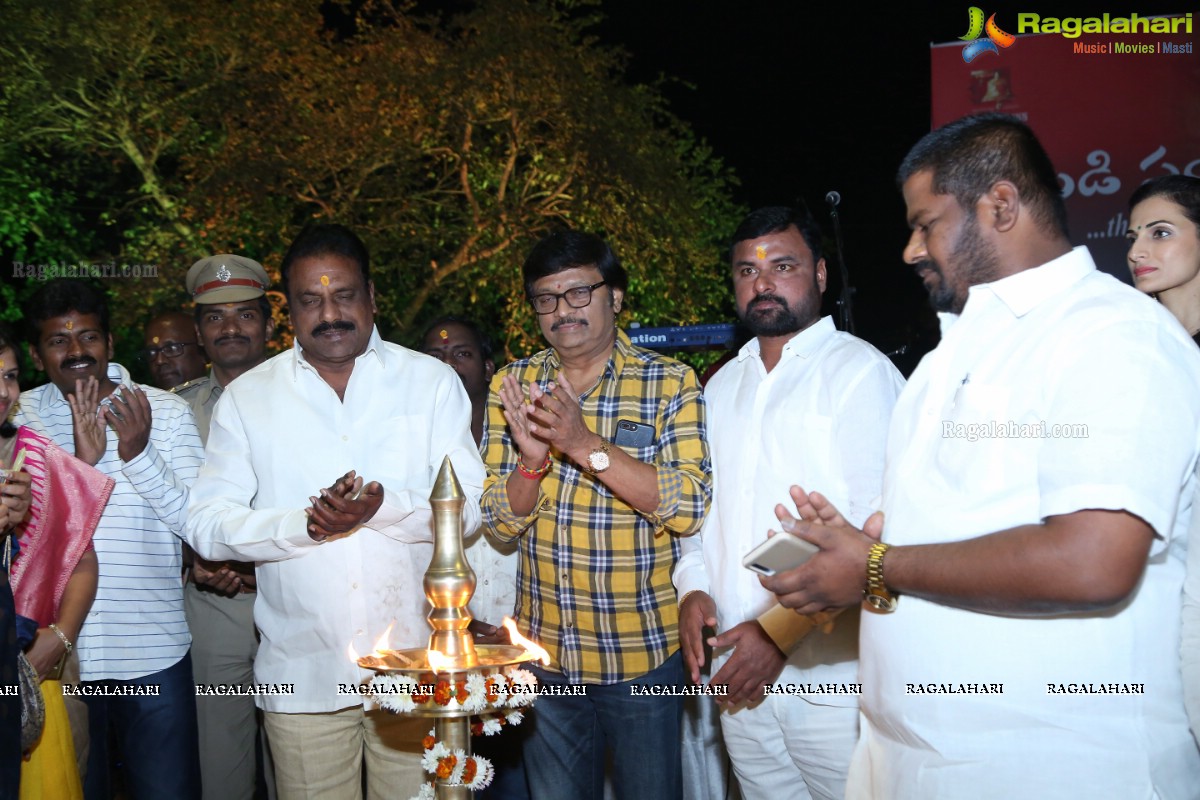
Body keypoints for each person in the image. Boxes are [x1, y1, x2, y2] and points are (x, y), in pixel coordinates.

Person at [760, 113, 1200, 799]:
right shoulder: (949, 357)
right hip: (915, 762)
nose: (910, 250)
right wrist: (857, 546)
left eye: (925, 223)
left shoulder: (1113, 334)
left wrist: (875, 565)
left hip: (1055, 769)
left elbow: (1093, 561)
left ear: (1000, 205)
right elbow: (952, 532)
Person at [185, 224, 486, 800]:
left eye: (344, 296)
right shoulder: (250, 398)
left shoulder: (429, 383)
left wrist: (381, 510)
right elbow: (206, 521)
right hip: (304, 677)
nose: (330, 314)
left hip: (416, 670)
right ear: (289, 310)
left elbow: (468, 512)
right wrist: (303, 526)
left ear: (372, 297)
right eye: (311, 300)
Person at [674, 207, 903, 800]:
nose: (763, 282)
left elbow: (881, 534)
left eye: (783, 266)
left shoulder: (859, 374)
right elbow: (701, 516)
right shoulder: (722, 385)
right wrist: (693, 588)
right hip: (738, 675)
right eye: (747, 270)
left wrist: (775, 634)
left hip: (833, 680)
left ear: (821, 275)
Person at [480, 229, 712, 800]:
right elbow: (498, 522)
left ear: (616, 297)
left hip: (642, 655)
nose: (563, 310)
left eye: (580, 293)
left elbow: (687, 505)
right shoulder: (513, 386)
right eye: (547, 298)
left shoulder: (669, 382)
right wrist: (531, 465)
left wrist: (583, 444)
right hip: (546, 655)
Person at [16, 279, 205, 800]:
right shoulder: (18, 418)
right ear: (37, 354)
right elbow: (24, 535)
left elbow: (197, 526)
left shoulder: (163, 412)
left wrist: (138, 454)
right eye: (59, 341)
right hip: (55, 658)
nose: (77, 352)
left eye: (89, 337)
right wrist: (83, 467)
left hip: (152, 651)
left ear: (110, 344)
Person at [0, 323, 114, 800]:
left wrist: (60, 638)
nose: (3, 392)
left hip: (30, 671)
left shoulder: (30, 458)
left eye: (8, 376)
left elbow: (79, 558)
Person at [178, 254, 275, 800]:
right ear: (198, 331)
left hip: (294, 600)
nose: (231, 327)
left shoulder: (309, 397)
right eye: (215, 318)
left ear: (266, 323)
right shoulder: (174, 412)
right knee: (223, 772)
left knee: (301, 763)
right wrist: (197, 558)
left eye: (244, 314)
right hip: (214, 612)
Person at [420, 316, 527, 800]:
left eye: (460, 354)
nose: (447, 366)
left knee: (520, 778)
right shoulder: (410, 441)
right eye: (436, 357)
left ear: (487, 366)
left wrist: (516, 629)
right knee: (456, 775)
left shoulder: (525, 430)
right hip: (442, 642)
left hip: (524, 638)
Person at [1126, 174, 1200, 748]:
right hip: (1145, 593)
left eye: (1160, 233)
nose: (1136, 251)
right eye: (1133, 236)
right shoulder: (1132, 348)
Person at [143, 311, 208, 391]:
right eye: (152, 352)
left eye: (172, 348)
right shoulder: (148, 402)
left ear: (203, 351)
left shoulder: (224, 399)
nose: (159, 361)